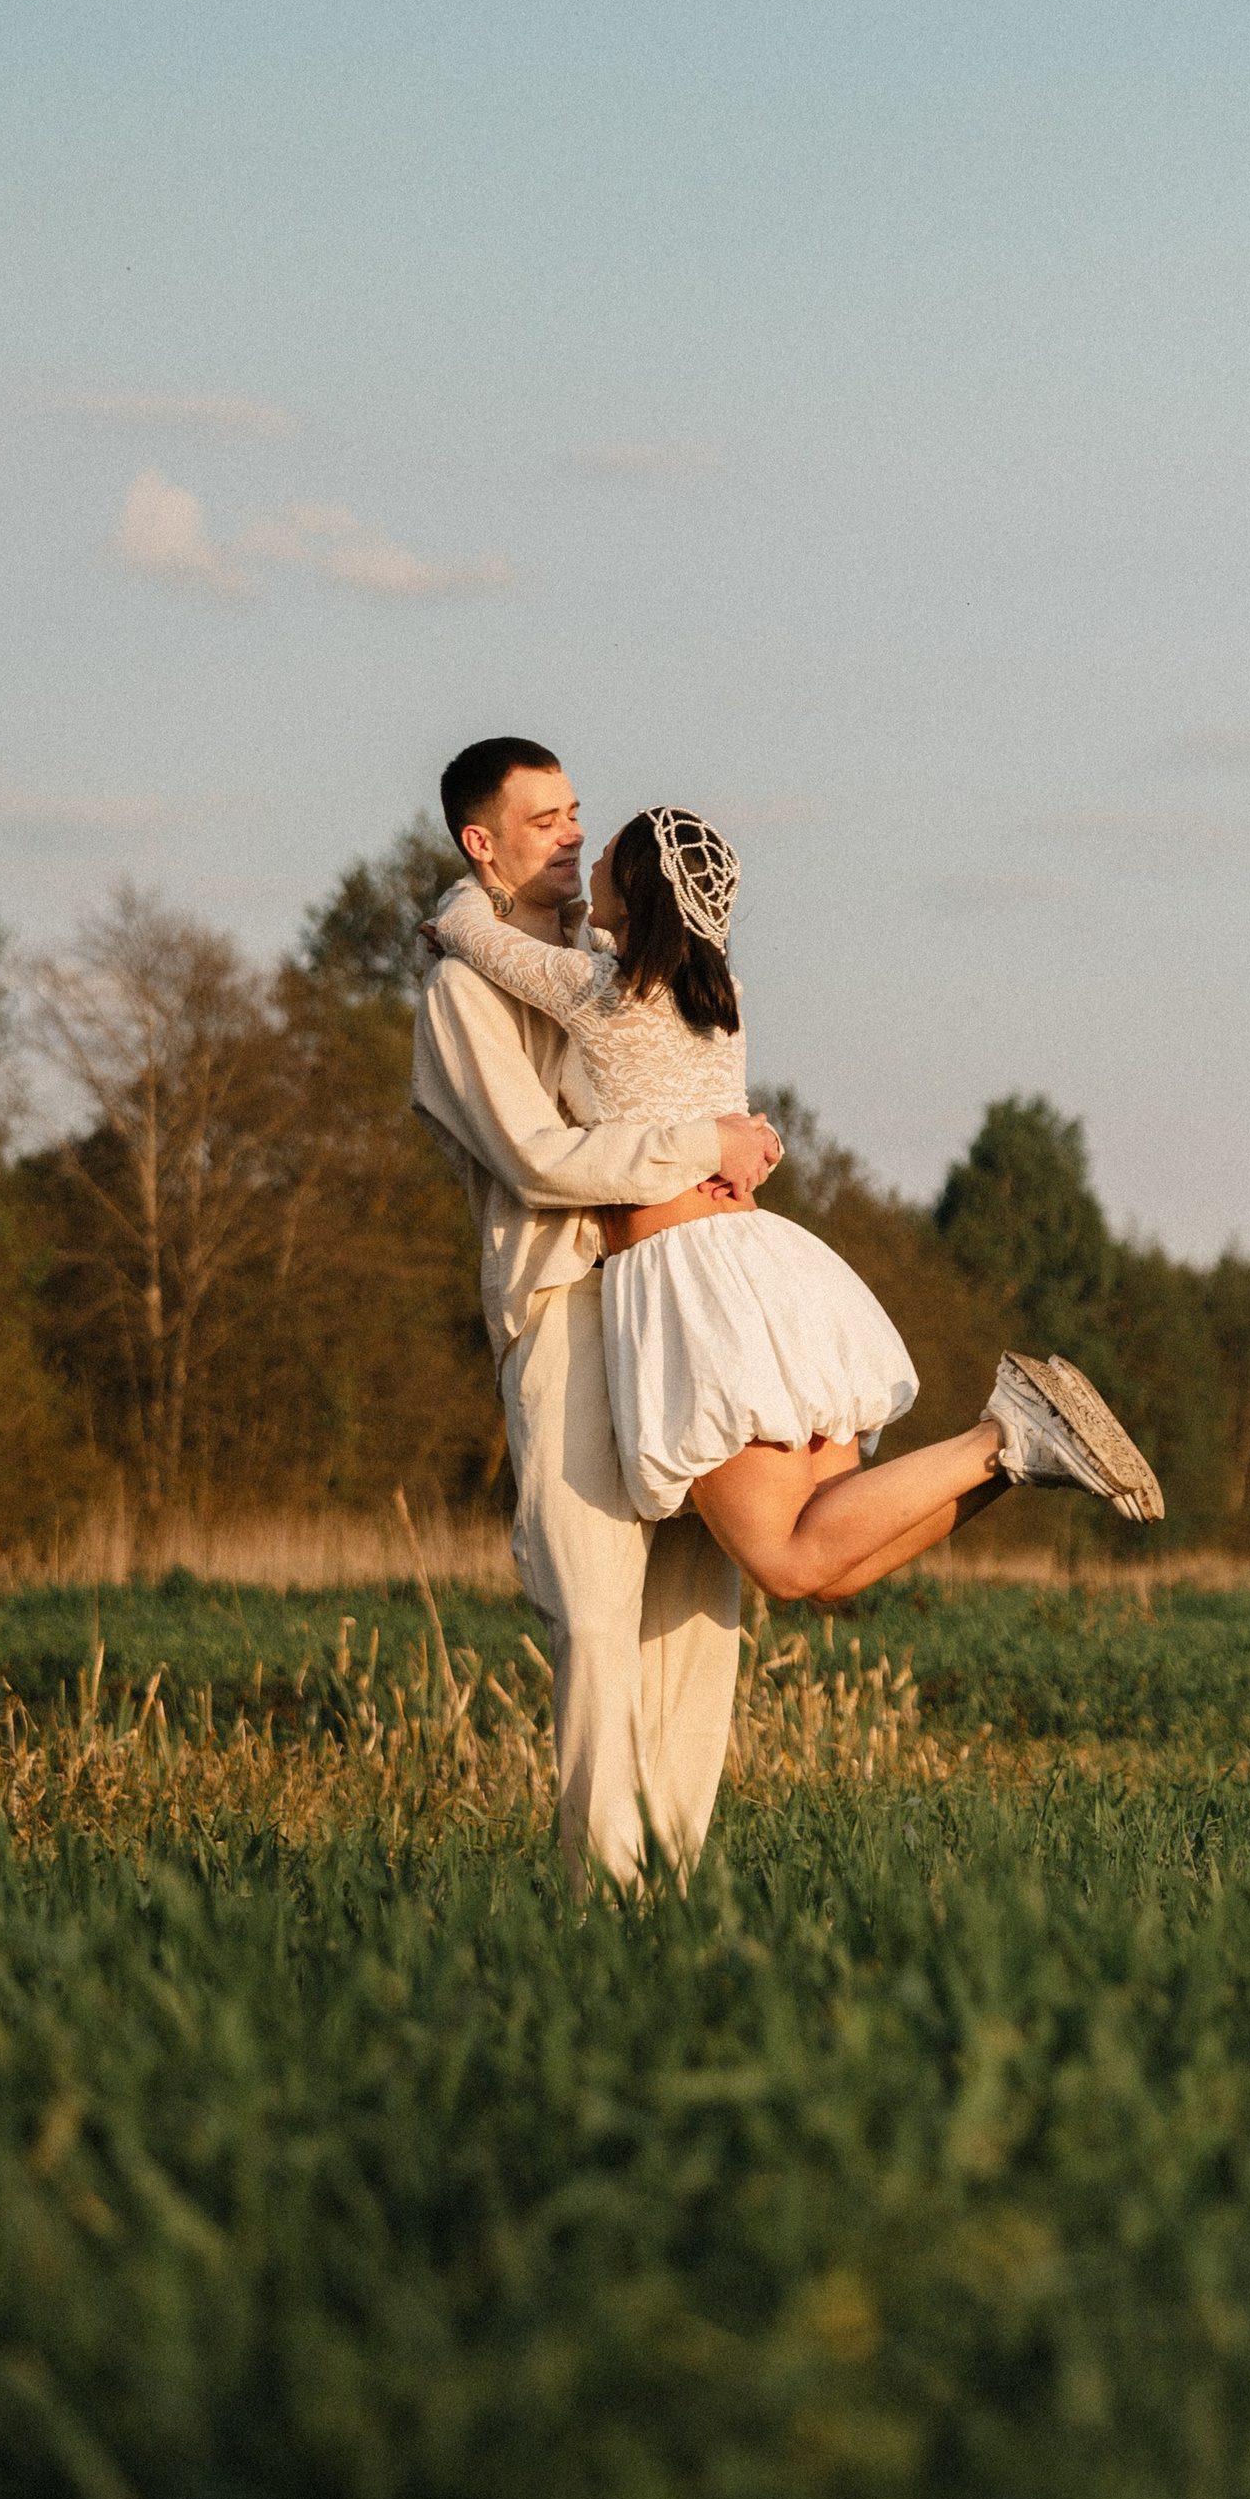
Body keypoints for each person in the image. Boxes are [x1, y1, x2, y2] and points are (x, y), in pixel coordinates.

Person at [420, 795, 1163, 1621]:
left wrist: (458, 903)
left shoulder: (599, 992)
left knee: (785, 1557)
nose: (585, 858)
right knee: (832, 1570)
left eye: (603, 861)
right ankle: (1016, 1456)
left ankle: (1005, 1433)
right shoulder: (720, 995)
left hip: (691, 1286)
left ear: (632, 890)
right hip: (765, 1271)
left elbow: (477, 940)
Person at [411, 735, 784, 1891]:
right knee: (594, 1609)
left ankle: (671, 1877)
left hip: (676, 1295)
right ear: (481, 844)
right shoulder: (461, 985)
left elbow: (681, 1071)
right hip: (566, 1302)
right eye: (544, 820)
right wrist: (701, 1145)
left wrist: (732, 1142)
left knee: (698, 1598)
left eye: (578, 812)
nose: (574, 833)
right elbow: (534, 1156)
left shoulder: (616, 958)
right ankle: (599, 1895)